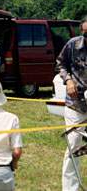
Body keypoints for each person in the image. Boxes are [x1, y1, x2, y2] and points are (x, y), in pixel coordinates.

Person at [56, 16, 87, 191]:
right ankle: (71, 188)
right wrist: (68, 81)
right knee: (74, 144)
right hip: (75, 104)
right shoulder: (73, 45)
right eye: (85, 34)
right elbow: (61, 64)